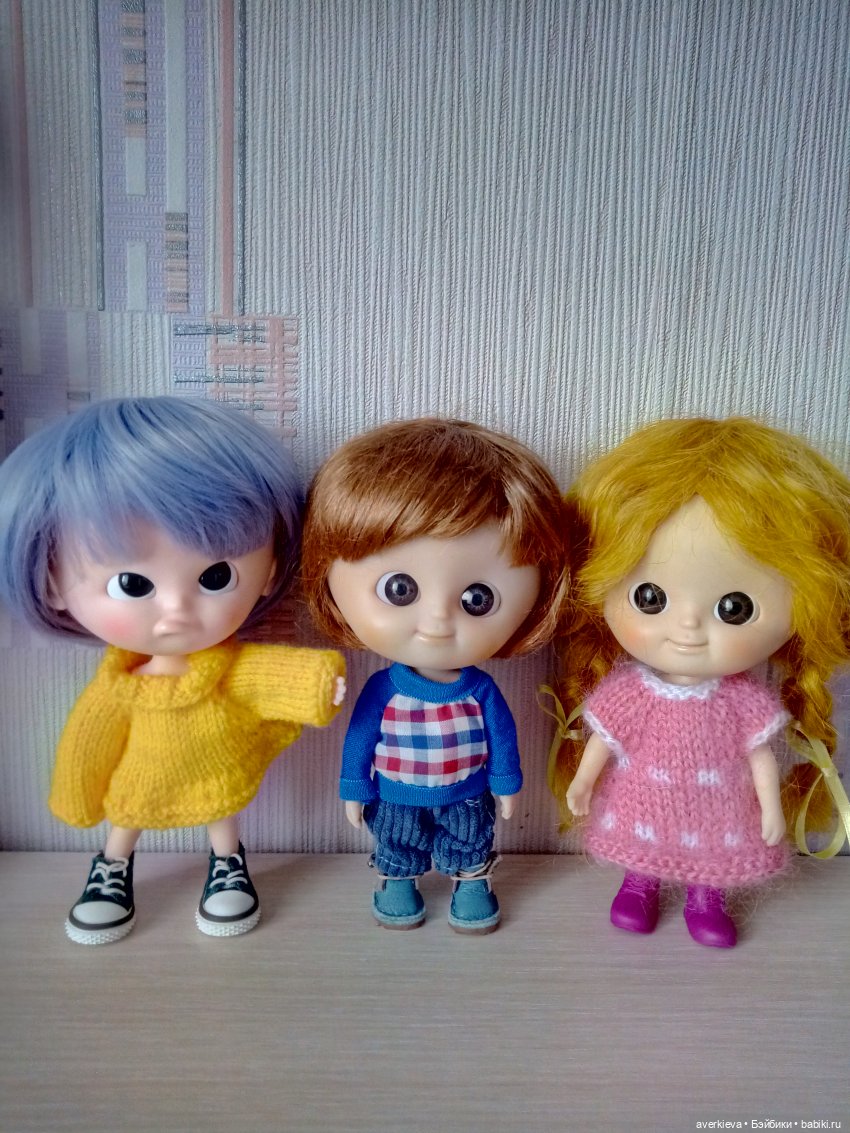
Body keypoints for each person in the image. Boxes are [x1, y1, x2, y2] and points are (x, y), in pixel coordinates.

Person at [0, 397, 345, 944]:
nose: (177, 610)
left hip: (214, 768)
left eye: (215, 577)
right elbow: (88, 742)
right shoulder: (119, 689)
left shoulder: (224, 670)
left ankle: (228, 865)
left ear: (268, 569)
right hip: (140, 777)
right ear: (52, 583)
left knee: (221, 811)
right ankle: (112, 870)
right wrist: (76, 795)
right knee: (126, 817)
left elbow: (263, 676)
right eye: (133, 584)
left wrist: (317, 684)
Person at [549, 417, 850, 947]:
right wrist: (582, 782)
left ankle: (705, 900)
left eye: (734, 608)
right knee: (641, 847)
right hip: (644, 800)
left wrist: (771, 807)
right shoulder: (630, 694)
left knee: (713, 857)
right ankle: (638, 886)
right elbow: (605, 740)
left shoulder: (743, 702)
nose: (687, 627)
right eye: (651, 599)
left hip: (719, 807)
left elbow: (760, 756)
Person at [301, 418, 567, 933]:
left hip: (467, 790)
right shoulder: (384, 689)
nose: (438, 620)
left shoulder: (480, 690)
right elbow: (361, 737)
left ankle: (471, 881)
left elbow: (502, 737)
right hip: (396, 791)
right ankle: (399, 879)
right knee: (397, 838)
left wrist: (506, 783)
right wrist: (355, 785)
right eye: (400, 590)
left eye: (477, 599)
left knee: (470, 838)